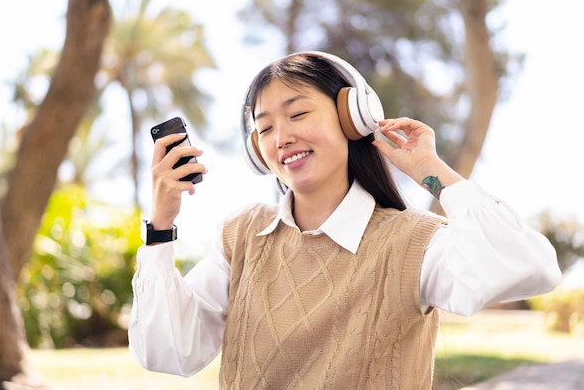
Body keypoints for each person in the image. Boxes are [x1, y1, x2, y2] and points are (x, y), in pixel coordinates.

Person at [128, 51, 562, 389]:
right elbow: (168, 351)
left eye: (298, 114)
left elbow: (530, 268)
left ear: (352, 119)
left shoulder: (410, 242)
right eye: (264, 128)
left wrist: (432, 171)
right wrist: (161, 226)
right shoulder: (241, 236)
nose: (282, 138)